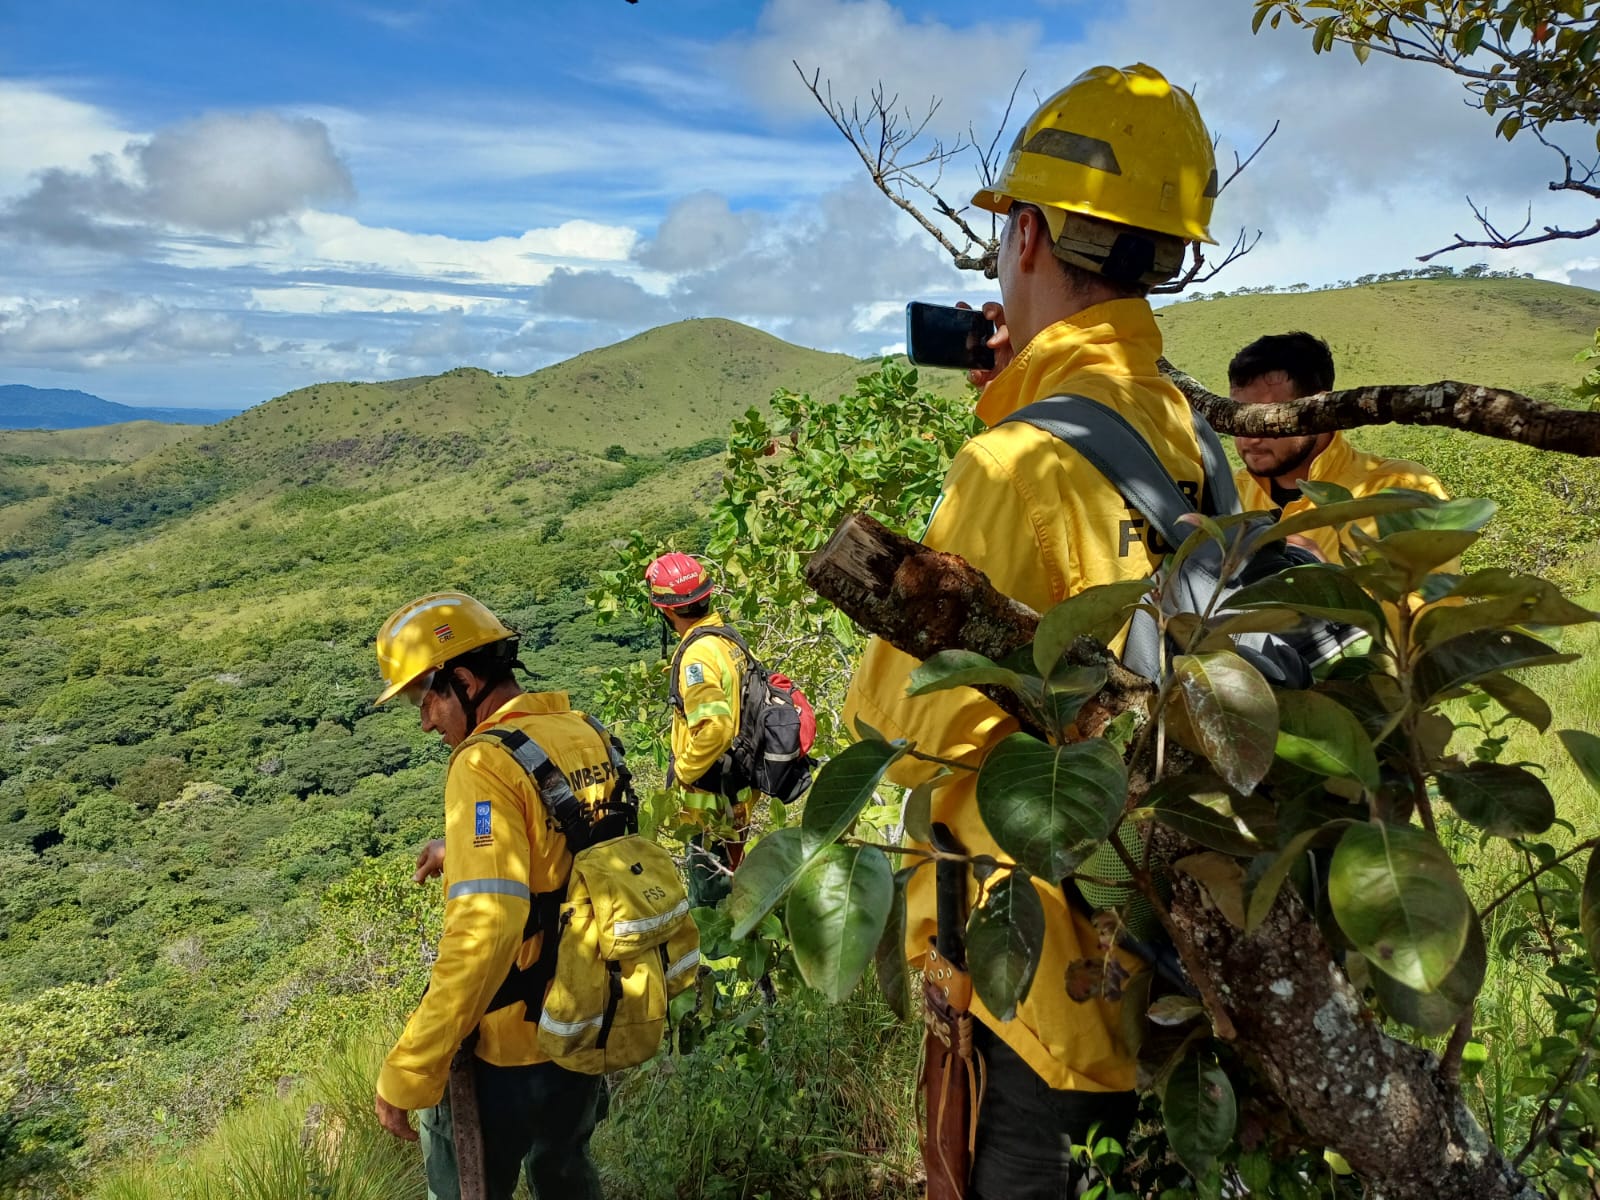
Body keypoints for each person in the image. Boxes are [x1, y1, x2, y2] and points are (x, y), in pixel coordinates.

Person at [843, 64, 1221, 1197]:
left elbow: (907, 731)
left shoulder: (1020, 463)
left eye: (1007, 222)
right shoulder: (1195, 434)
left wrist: (1011, 434)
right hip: (1176, 968)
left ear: (1030, 233)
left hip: (1042, 996)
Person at [370, 592, 610, 1200]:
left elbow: (486, 930)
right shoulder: (580, 733)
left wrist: (411, 1067)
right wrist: (463, 850)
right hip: (584, 1016)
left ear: (465, 679)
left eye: (423, 700)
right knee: (565, 1171)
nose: (425, 721)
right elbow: (569, 845)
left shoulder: (481, 764)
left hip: (512, 1043)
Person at [1230, 331, 1449, 560]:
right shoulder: (1225, 494)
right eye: (1237, 417)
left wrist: (1327, 581)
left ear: (1321, 410)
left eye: (1268, 417)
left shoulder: (1404, 493)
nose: (1249, 438)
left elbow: (1428, 594)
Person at [645, 552, 750, 908]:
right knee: (736, 883)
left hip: (709, 803)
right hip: (736, 790)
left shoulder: (697, 656)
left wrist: (682, 771)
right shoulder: (727, 639)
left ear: (666, 610)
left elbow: (716, 727)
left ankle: (720, 959)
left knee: (712, 901)